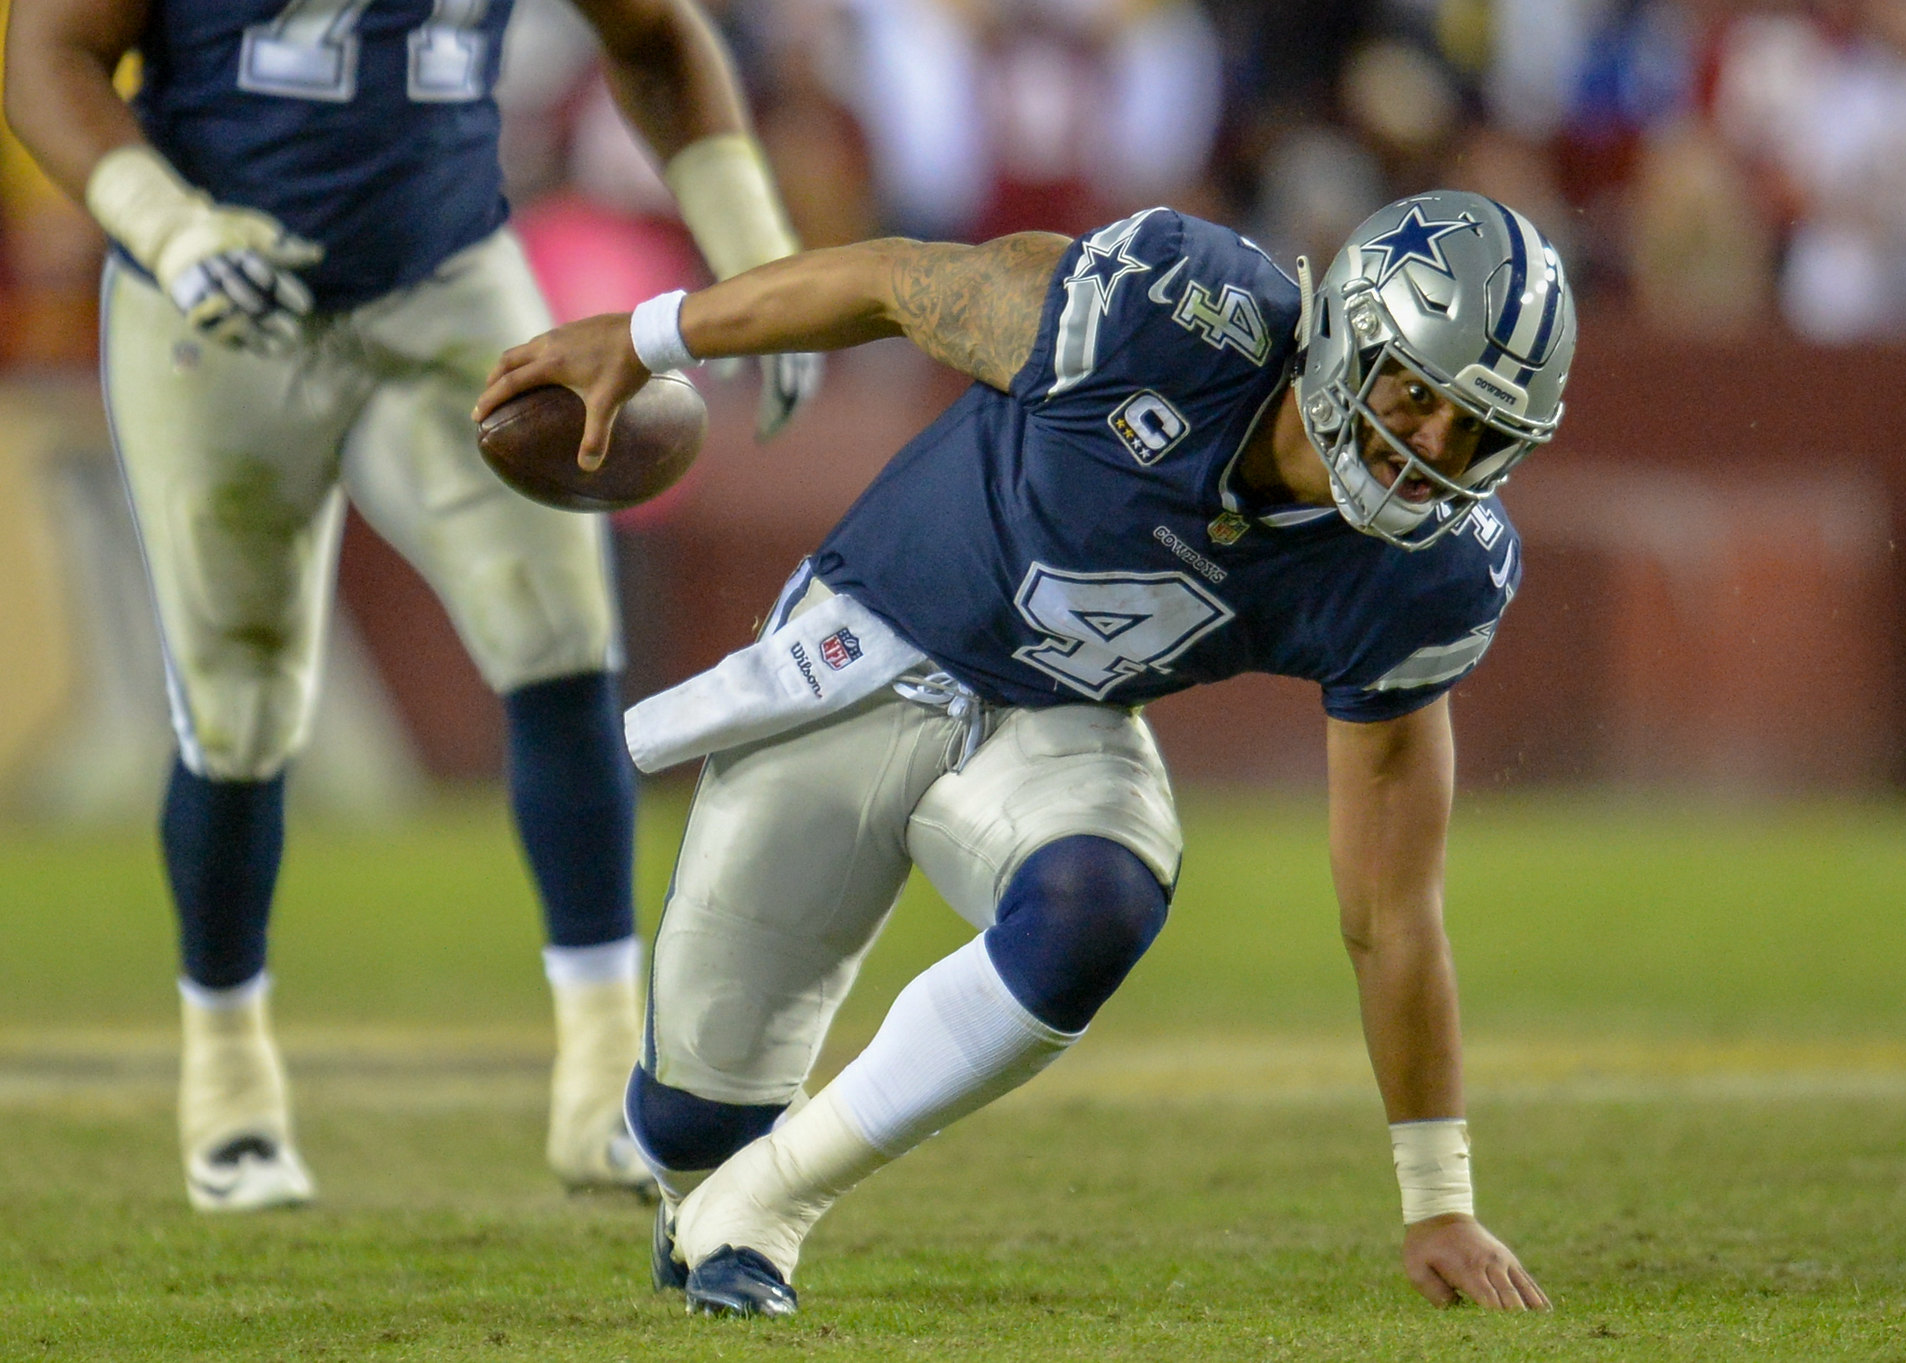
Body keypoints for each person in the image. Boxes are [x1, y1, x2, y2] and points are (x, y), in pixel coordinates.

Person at [477, 188, 1573, 1314]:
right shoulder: (1162, 313)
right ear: (1346, 334)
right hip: (858, 659)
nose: (1431, 447)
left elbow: (1391, 909)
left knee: (1100, 896)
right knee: (688, 1128)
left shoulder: (1425, 576)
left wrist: (1438, 1196)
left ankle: (772, 1205)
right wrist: (651, 334)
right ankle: (717, 1181)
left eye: (1478, 430)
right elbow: (889, 282)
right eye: (1415, 393)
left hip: (1055, 729)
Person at [3, 0, 820, 1212]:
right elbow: (48, 54)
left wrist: (753, 245)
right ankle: (229, 1082)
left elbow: (654, 35)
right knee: (238, 699)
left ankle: (604, 1081)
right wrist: (166, 227)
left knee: (560, 638)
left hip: (442, 282)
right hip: (220, 294)